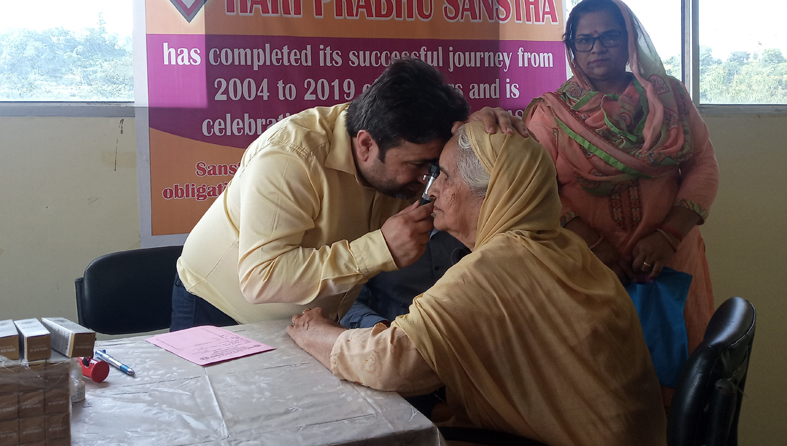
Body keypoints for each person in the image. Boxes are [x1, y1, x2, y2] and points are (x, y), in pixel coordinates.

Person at [287, 124, 667, 446]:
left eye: (445, 176)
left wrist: (313, 332)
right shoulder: (565, 248)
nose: (431, 190)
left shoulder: (498, 266)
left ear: (492, 189)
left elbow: (392, 362)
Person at [171, 58, 524, 330]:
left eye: (433, 166)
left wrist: (481, 137)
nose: (425, 181)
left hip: (306, 319)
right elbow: (263, 278)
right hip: (217, 306)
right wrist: (380, 249)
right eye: (417, 165)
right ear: (367, 144)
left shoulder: (397, 156)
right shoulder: (292, 157)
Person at [524, 0, 719, 354]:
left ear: (629, 39)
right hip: (587, 266)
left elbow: (702, 166)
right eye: (585, 39)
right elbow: (536, 192)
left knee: (680, 373)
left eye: (610, 37)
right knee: (601, 377)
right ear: (573, 46)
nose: (597, 48)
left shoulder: (669, 97)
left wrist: (668, 236)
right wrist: (596, 247)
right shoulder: (550, 113)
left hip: (670, 260)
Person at [339, 229, 467, 329]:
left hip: (458, 341)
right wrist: (381, 327)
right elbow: (345, 303)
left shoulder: (477, 228)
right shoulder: (375, 228)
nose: (432, 193)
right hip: (390, 341)